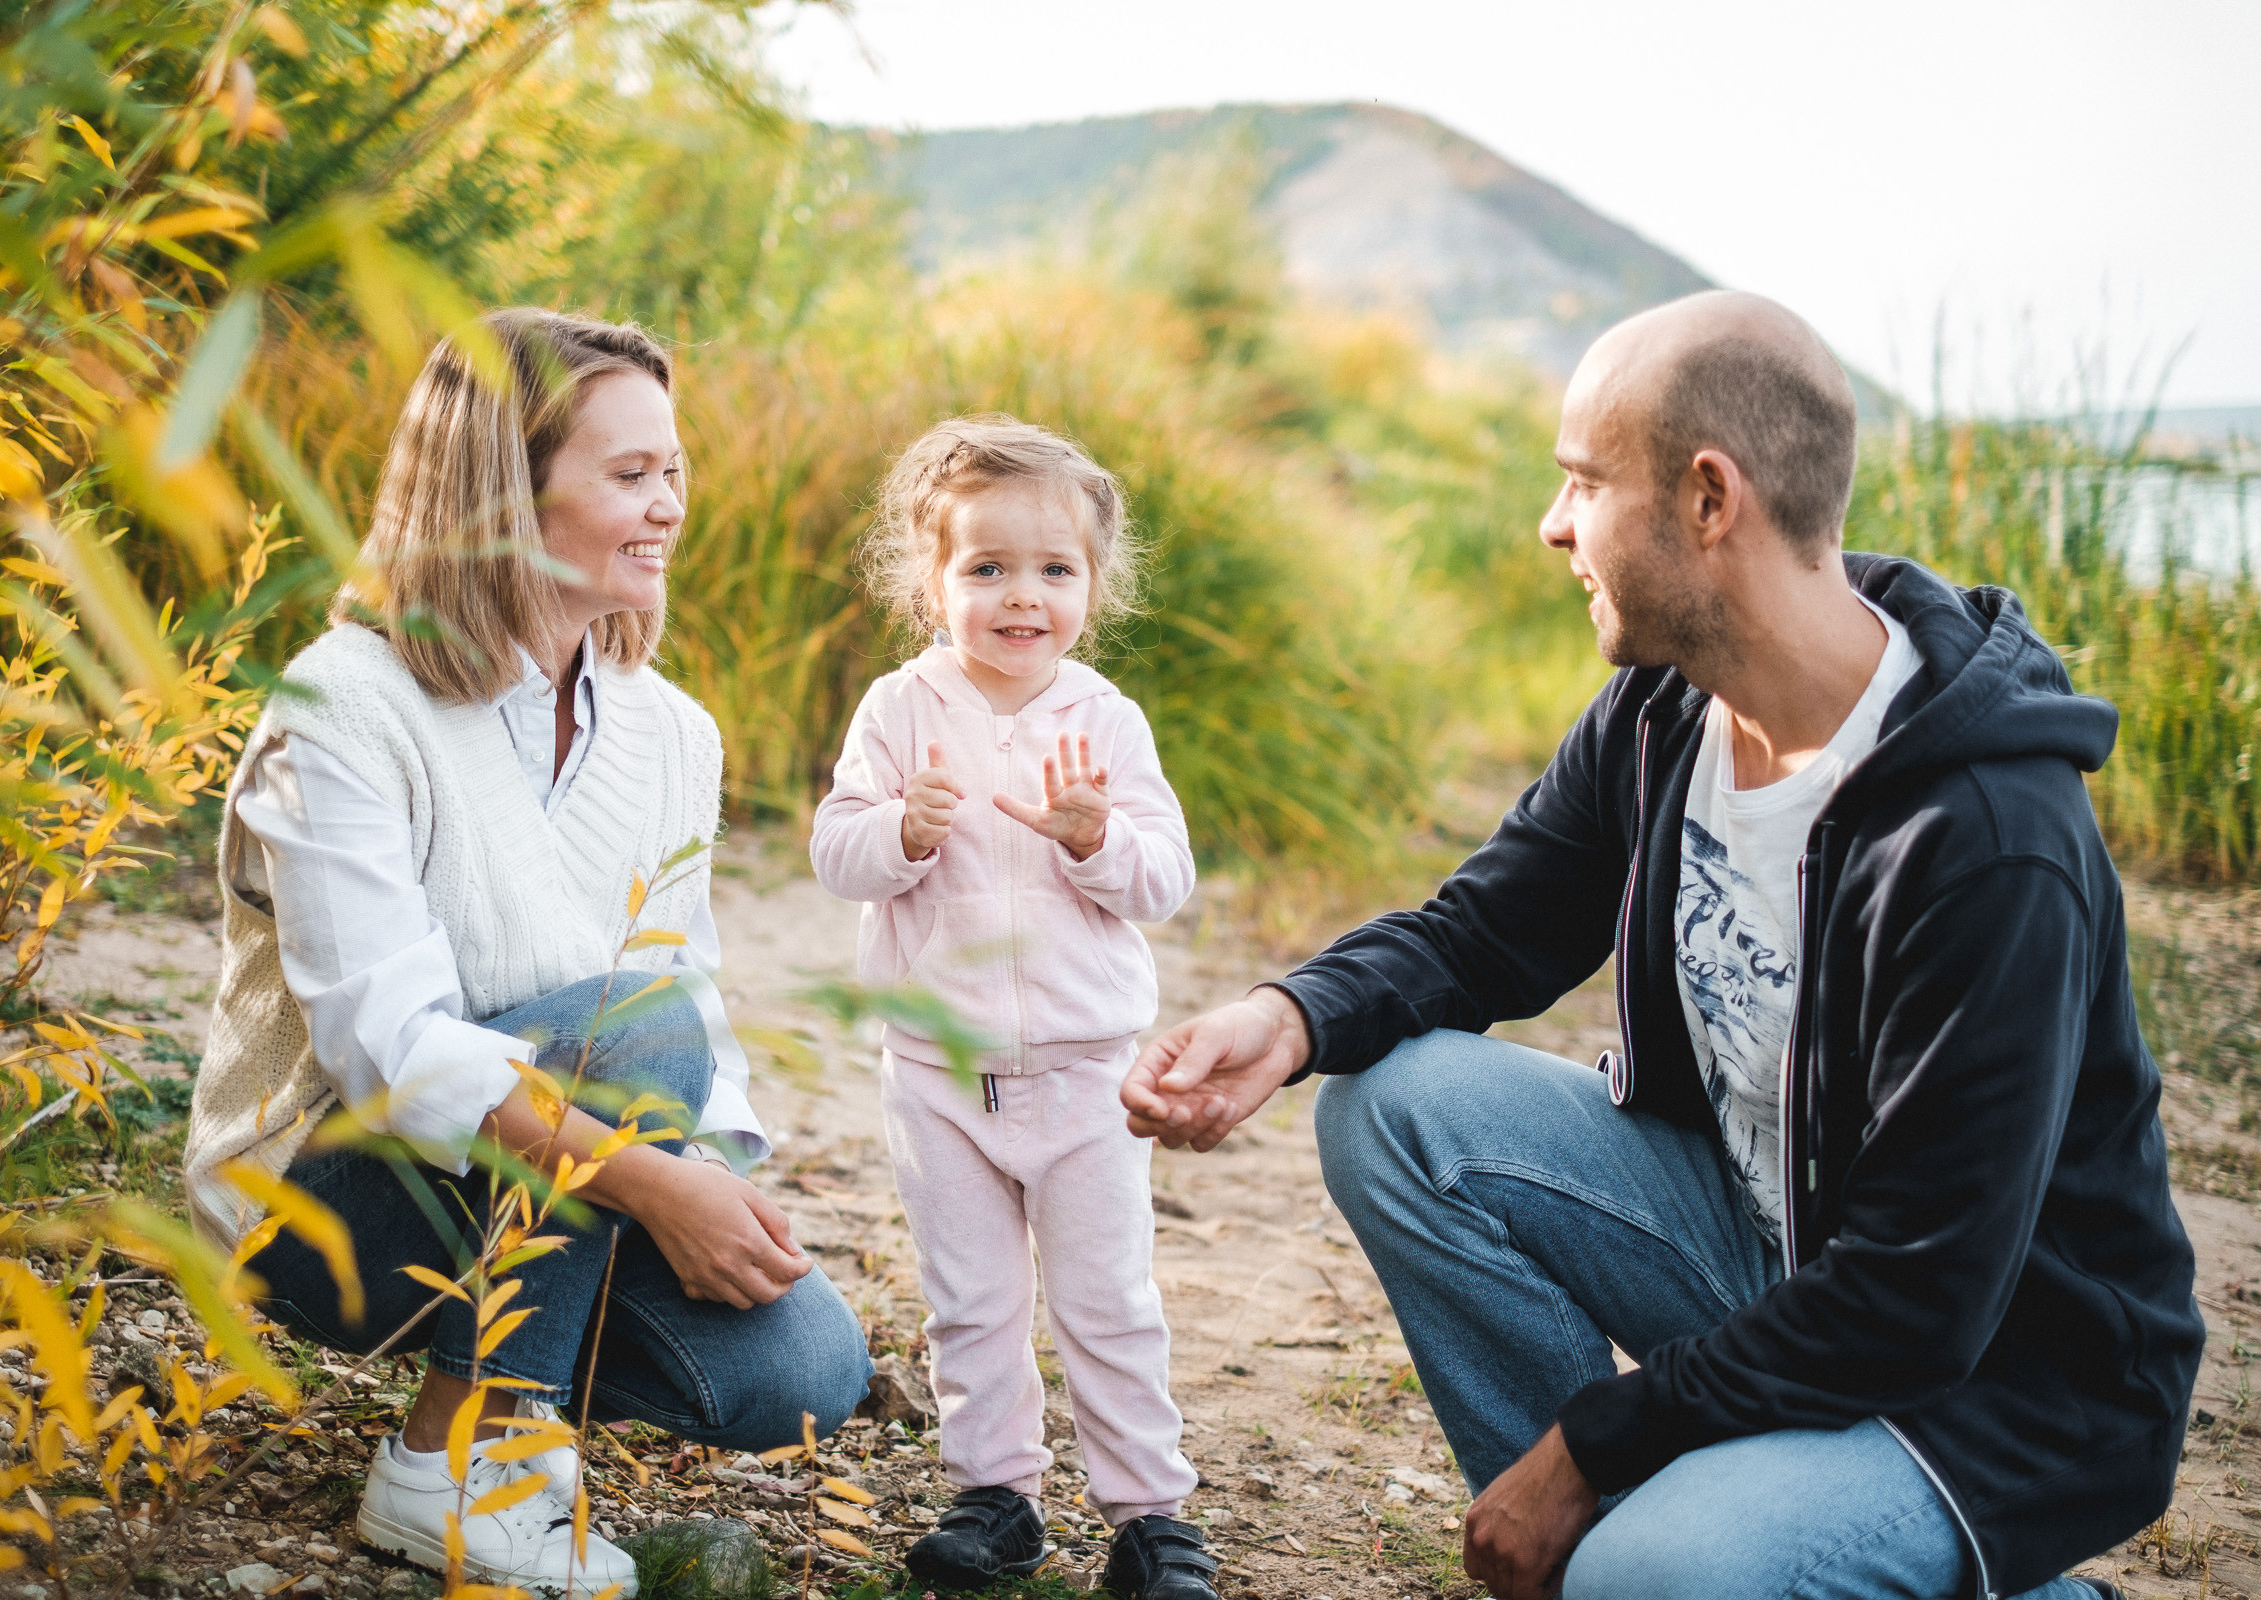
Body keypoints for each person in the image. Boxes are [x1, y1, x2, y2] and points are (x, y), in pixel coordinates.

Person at [1118, 291, 2202, 1600]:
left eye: (1583, 481)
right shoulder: (1667, 710)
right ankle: (1598, 1555)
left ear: (1707, 500)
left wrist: (1593, 1442)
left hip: (1988, 1381)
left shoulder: (1981, 837)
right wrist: (1289, 1017)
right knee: (1396, 1110)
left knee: (1658, 1572)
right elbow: (1490, 929)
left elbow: (1921, 1300)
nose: (1552, 524)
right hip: (1770, 1255)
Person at [184, 310, 871, 1596]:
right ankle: (460, 1458)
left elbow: (697, 1009)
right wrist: (653, 1190)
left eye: (674, 470)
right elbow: (388, 1052)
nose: (668, 505)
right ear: (503, 493)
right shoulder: (348, 703)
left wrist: (706, 1180)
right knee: (632, 1019)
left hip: (551, 1180)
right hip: (327, 1198)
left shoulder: (674, 735)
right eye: (629, 476)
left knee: (800, 1373)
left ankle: (524, 1387)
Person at [810, 417, 1216, 1600]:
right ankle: (997, 1496)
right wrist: (900, 832)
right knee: (972, 1300)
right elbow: (836, 852)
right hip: (938, 1070)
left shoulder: (1105, 720)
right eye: (985, 568)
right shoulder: (898, 708)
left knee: (1107, 1302)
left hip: (1087, 1073)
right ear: (933, 583)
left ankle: (1148, 1514)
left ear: (1093, 583)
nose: (1019, 595)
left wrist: (1098, 840)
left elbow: (1164, 878)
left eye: (1053, 569)